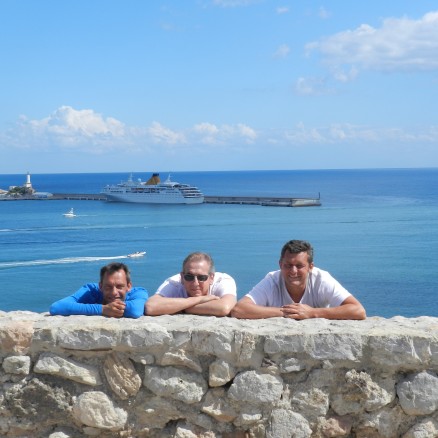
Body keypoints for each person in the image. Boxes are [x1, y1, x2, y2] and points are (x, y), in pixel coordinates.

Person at [231, 240, 366, 320]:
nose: (293, 271)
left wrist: (312, 313)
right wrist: (287, 312)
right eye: (288, 265)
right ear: (280, 265)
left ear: (310, 267)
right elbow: (239, 309)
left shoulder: (321, 279)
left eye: (299, 266)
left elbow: (358, 310)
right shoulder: (272, 280)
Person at [145, 252, 237, 316]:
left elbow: (225, 307)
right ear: (182, 277)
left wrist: (180, 307)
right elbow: (150, 306)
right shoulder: (174, 283)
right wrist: (200, 299)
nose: (195, 283)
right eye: (189, 277)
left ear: (211, 277)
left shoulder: (223, 280)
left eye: (201, 278)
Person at [50, 262, 148, 318]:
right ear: (100, 286)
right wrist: (102, 309)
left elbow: (135, 310)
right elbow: (56, 307)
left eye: (119, 286)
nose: (114, 292)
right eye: (108, 287)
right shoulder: (90, 290)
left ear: (129, 286)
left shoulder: (139, 292)